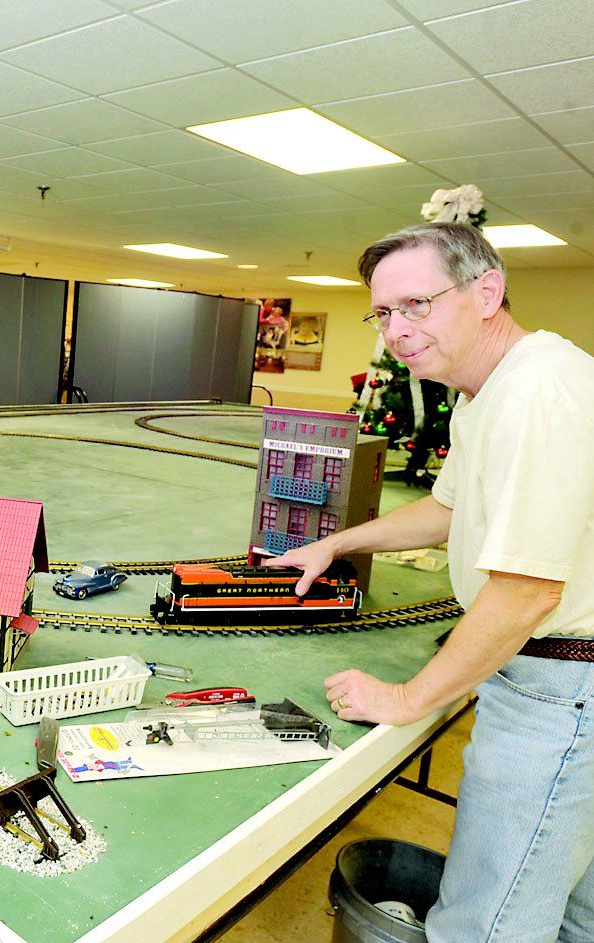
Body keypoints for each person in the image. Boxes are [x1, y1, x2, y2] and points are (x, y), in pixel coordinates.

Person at [269, 221, 594, 942]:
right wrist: (337, 543)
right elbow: (448, 507)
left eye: (416, 303)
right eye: (382, 313)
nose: (396, 330)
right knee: (572, 910)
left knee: (488, 919)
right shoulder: (487, 388)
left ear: (486, 292)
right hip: (554, 682)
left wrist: (407, 698)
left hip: (565, 695)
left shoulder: (535, 390)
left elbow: (526, 591)